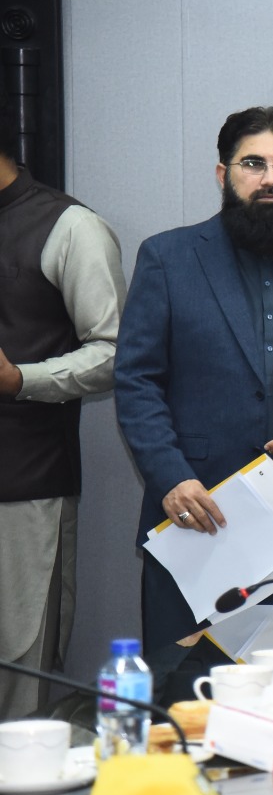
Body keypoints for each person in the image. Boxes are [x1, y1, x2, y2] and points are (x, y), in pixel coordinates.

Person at [116, 106, 273, 685]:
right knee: (186, 696)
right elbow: (136, 379)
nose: (270, 178)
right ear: (222, 173)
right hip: (197, 519)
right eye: (253, 164)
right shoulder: (169, 257)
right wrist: (171, 476)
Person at [0, 130, 125, 719]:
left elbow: (116, 352)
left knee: (18, 672)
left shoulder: (70, 227)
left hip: (23, 488)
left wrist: (20, 379)